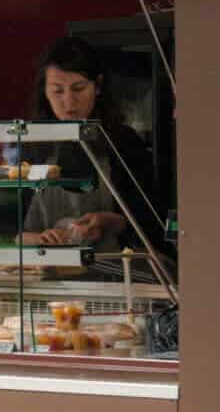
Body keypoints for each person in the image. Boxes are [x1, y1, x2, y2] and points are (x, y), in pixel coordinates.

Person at [20, 37, 173, 255]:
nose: (68, 102)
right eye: (57, 91)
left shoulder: (123, 142)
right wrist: (33, 239)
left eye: (78, 88)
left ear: (98, 86)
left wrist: (111, 221)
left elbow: (154, 222)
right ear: (44, 92)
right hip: (43, 277)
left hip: (110, 276)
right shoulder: (33, 145)